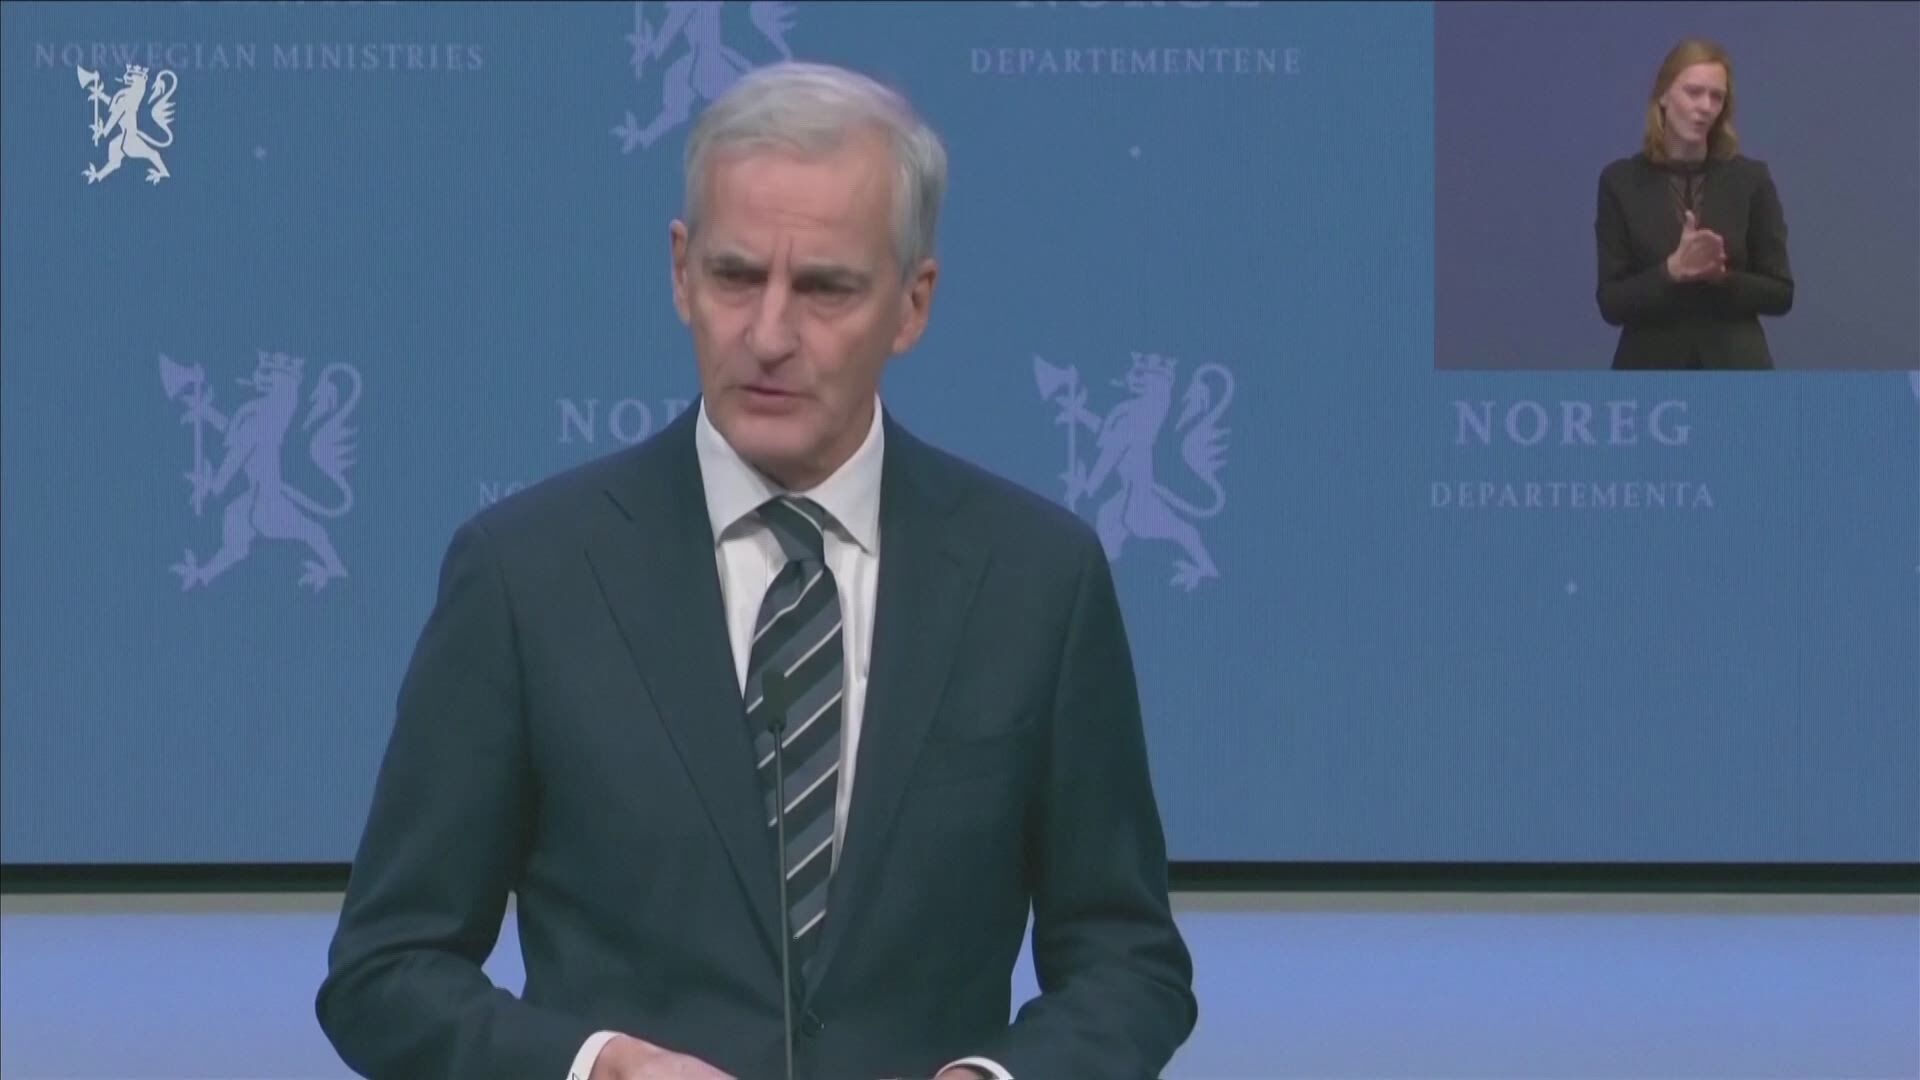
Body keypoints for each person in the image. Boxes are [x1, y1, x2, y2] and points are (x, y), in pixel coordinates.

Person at [316, 61, 1197, 1080]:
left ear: (912, 305)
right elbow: (384, 972)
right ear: (680, 272)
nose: (769, 335)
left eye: (824, 288)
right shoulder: (528, 577)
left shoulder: (1036, 581)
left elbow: (1129, 964)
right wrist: (597, 1067)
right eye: (736, 277)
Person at [1594, 39, 1793, 370]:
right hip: (1650, 376)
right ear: (1663, 96)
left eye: (1717, 97)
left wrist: (1722, 278)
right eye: (1694, 92)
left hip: (1736, 373)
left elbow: (1781, 293)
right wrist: (1672, 271)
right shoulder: (1621, 181)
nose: (1705, 106)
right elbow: (1611, 302)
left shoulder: (1750, 179)